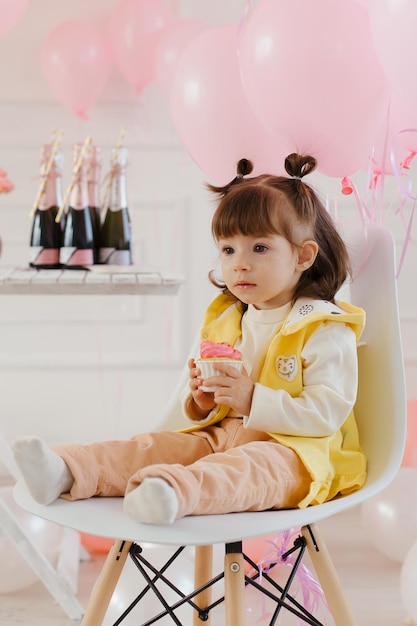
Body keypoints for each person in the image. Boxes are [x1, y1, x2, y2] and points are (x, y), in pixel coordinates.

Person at [12, 153, 366, 525]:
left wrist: (251, 398)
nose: (238, 264)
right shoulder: (229, 318)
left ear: (303, 256)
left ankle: (167, 493)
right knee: (154, 448)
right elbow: (201, 405)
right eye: (228, 249)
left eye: (259, 248)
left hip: (297, 454)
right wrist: (201, 402)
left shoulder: (323, 327)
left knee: (245, 469)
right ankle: (66, 469)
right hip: (222, 434)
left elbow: (327, 413)